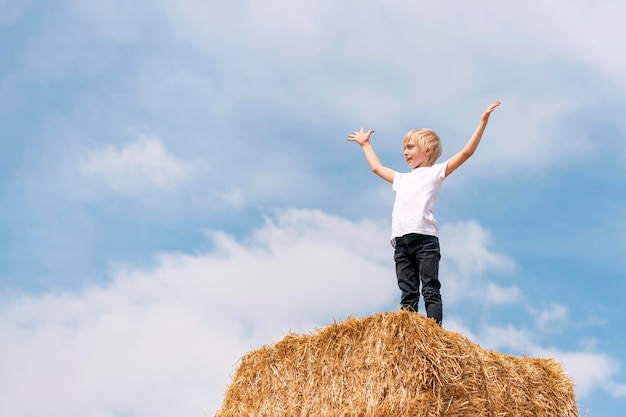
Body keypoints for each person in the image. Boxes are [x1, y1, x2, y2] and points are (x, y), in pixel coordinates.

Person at [347, 101, 501, 325]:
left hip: (425, 239)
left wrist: (482, 121)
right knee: (408, 292)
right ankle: (408, 335)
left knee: (430, 288)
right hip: (400, 241)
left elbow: (467, 152)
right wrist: (365, 145)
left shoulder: (435, 172)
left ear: (427, 151)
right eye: (404, 148)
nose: (405, 152)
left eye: (410, 147)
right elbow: (376, 168)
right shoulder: (401, 178)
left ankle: (434, 333)